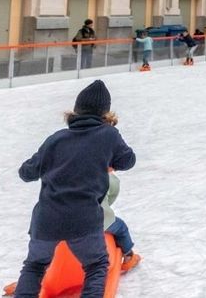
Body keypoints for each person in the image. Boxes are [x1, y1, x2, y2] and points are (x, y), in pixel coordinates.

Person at [13, 80, 136, 298]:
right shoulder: (108, 135)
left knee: (34, 265)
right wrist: (106, 155)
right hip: (84, 220)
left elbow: (26, 172)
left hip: (46, 220)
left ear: (76, 111)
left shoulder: (55, 139)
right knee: (96, 265)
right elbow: (128, 160)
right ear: (105, 114)